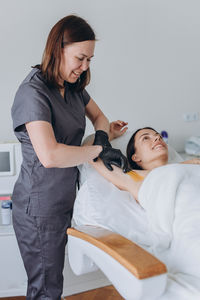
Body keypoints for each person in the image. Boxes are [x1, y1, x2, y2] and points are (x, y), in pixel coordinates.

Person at [11, 15, 128, 300]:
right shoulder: (33, 93)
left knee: (53, 284)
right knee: (46, 290)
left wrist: (103, 135)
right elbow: (50, 155)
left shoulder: (73, 87)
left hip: (64, 199)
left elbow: (100, 117)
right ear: (57, 49)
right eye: (80, 58)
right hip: (39, 207)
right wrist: (100, 150)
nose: (85, 67)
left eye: (90, 59)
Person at [91, 126, 200, 201]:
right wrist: (109, 134)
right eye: (146, 138)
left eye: (159, 136)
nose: (158, 137)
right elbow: (91, 150)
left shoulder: (190, 164)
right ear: (136, 157)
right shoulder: (134, 178)